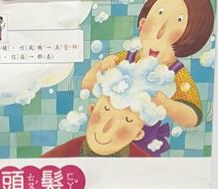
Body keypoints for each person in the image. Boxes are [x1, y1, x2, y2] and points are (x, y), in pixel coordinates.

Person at [82, 0, 215, 155]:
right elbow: (87, 84)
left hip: (145, 140)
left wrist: (166, 103)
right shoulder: (126, 58)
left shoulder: (177, 75)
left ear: (190, 41)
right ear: (142, 23)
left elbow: (193, 118)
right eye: (160, 13)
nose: (160, 33)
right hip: (106, 124)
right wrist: (102, 67)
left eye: (179, 20)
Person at [45, 57, 175, 158]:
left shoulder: (144, 164)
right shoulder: (61, 155)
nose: (106, 128)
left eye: (128, 120)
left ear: (138, 134)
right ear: (92, 110)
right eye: (106, 109)